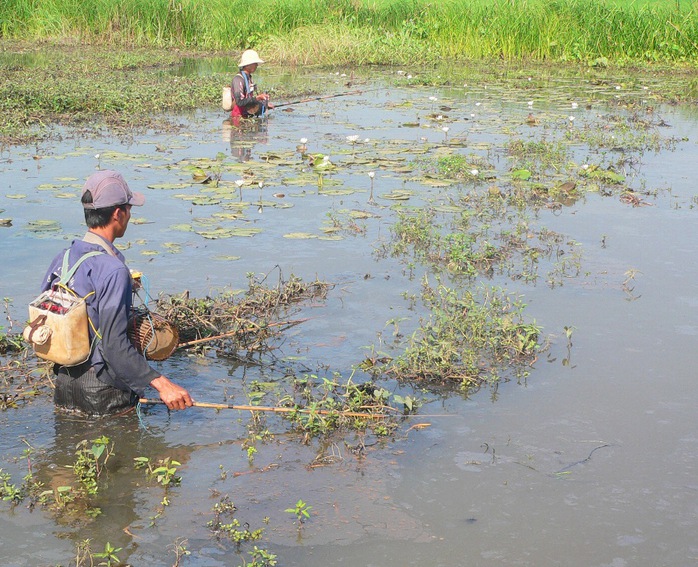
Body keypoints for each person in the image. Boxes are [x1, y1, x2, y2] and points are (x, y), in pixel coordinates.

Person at [40, 170, 194, 416]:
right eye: (129, 209)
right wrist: (163, 384)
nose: (130, 215)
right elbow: (114, 347)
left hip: (64, 385)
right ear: (118, 213)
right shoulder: (114, 270)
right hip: (102, 393)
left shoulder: (65, 257)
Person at [230, 49, 273, 121]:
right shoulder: (238, 80)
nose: (256, 65)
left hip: (246, 117)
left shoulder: (248, 78)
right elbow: (240, 102)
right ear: (248, 64)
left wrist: (265, 105)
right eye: (255, 63)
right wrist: (257, 98)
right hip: (238, 119)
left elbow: (249, 99)